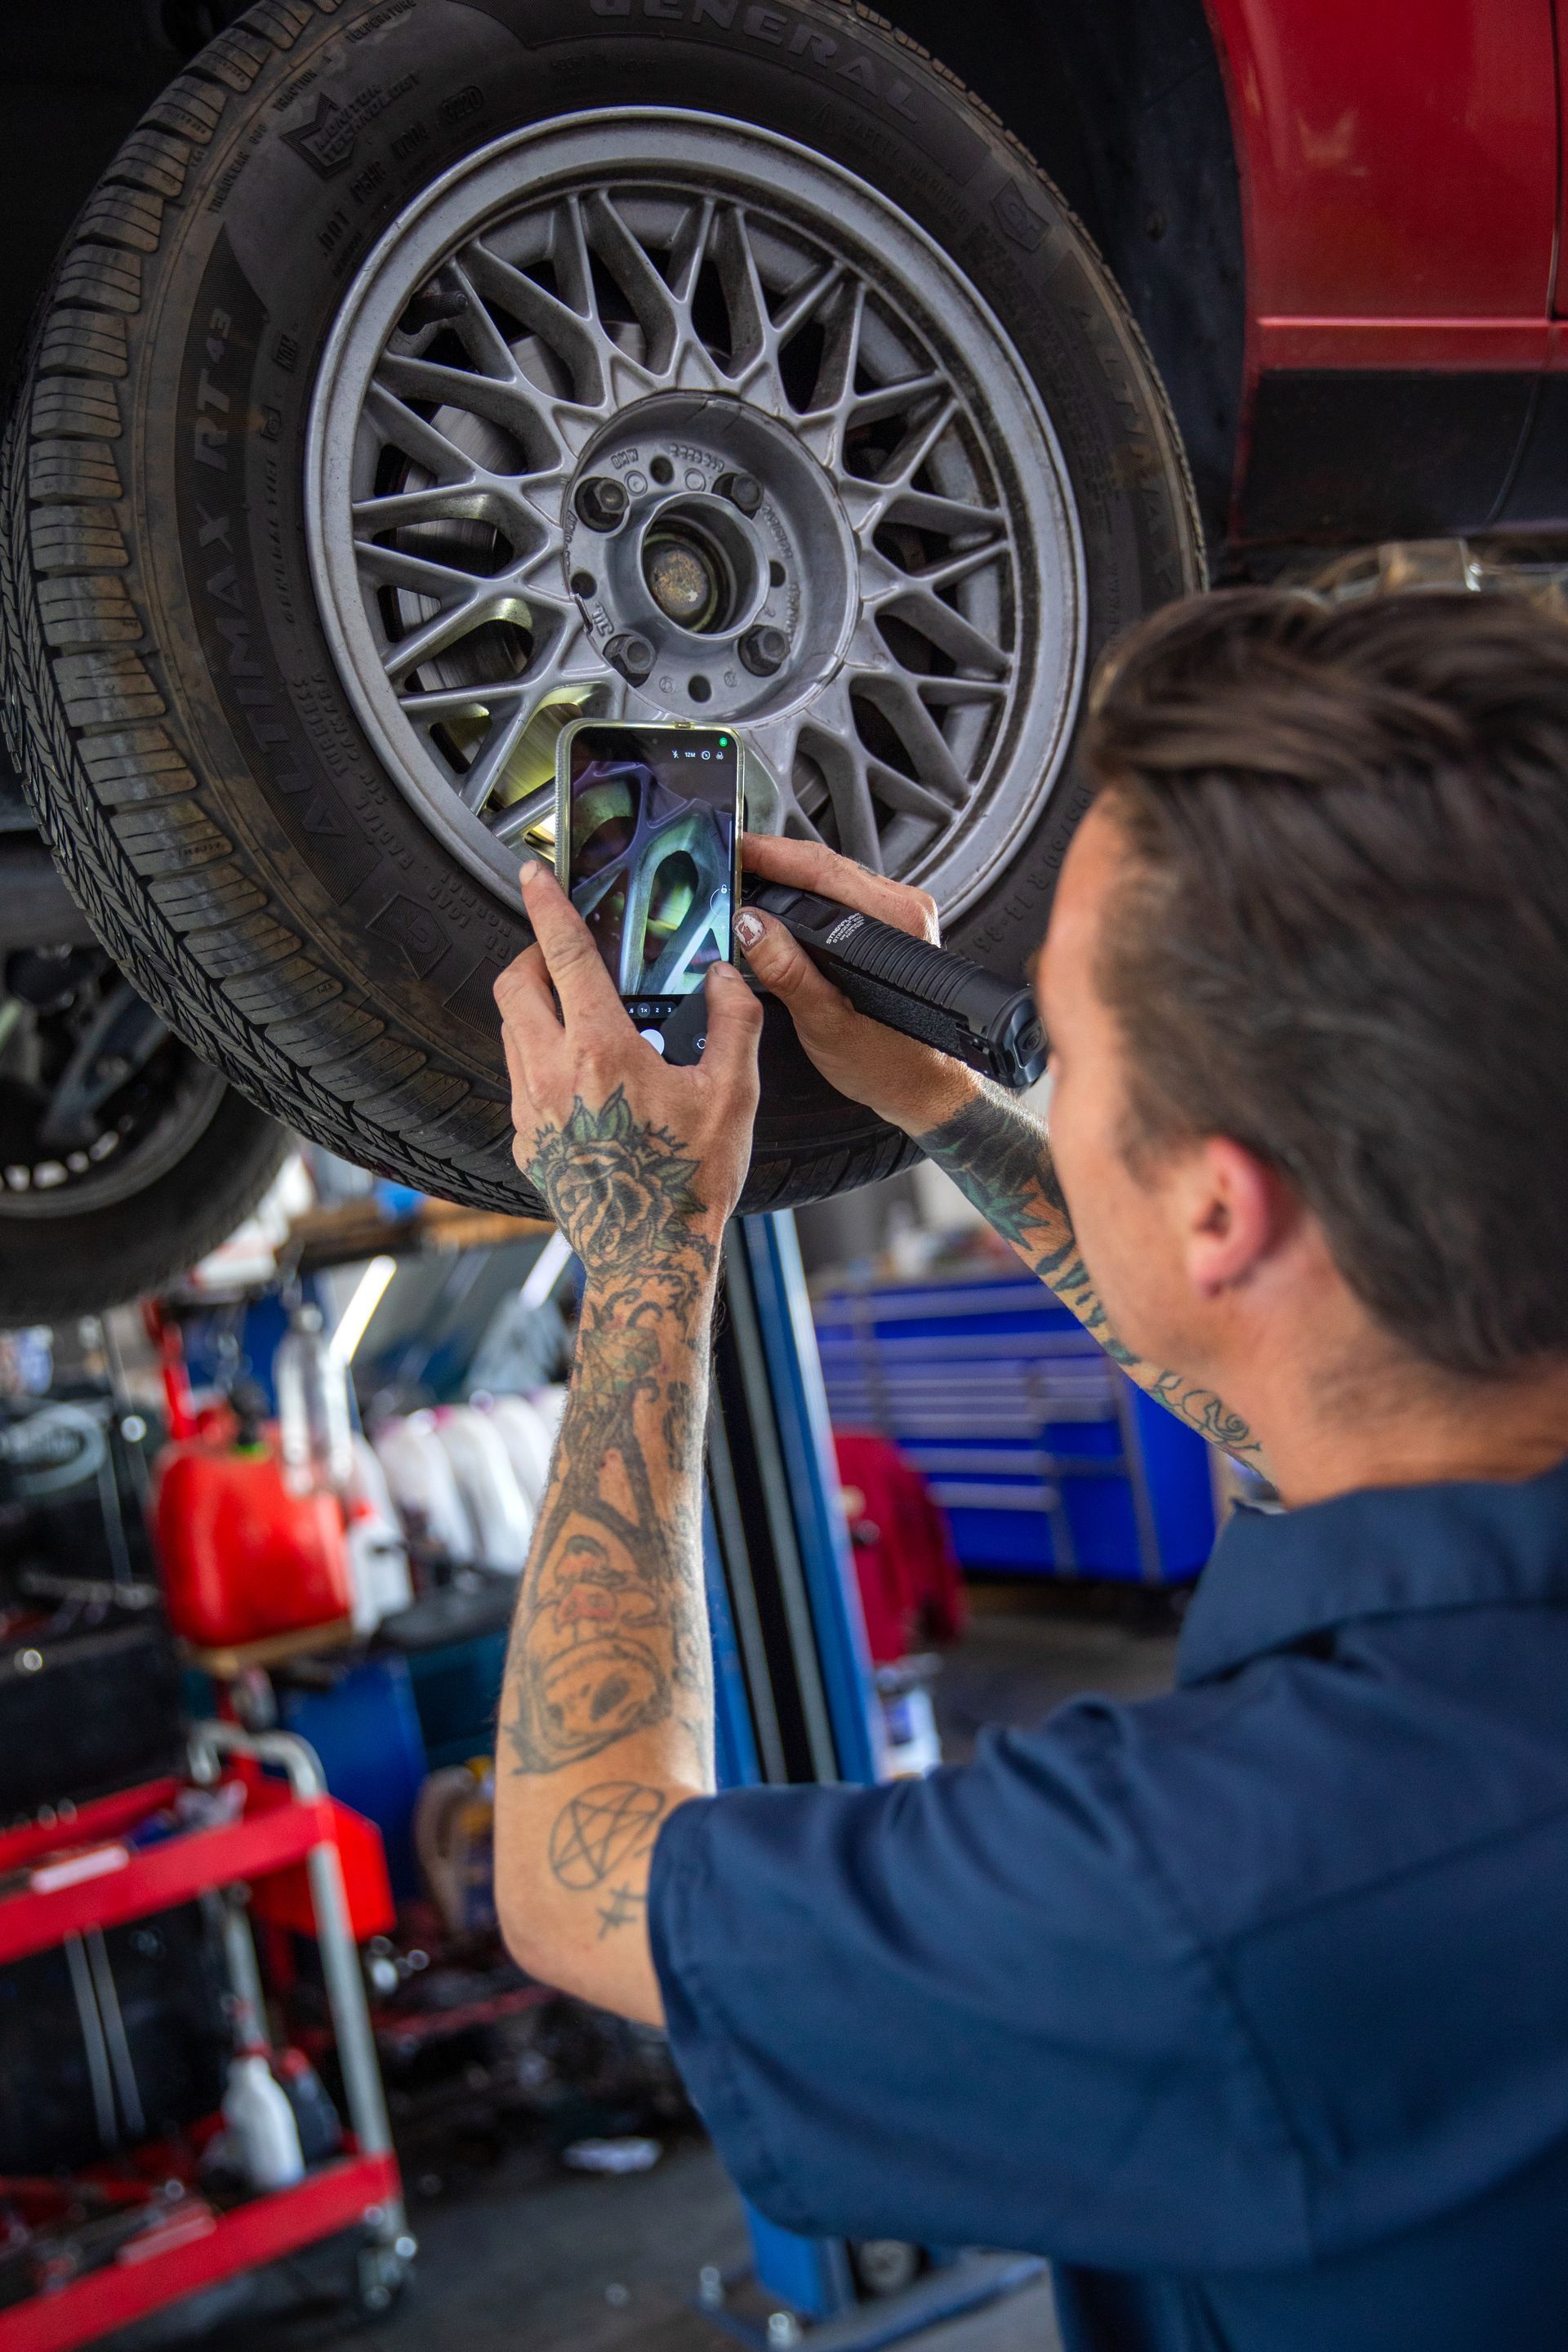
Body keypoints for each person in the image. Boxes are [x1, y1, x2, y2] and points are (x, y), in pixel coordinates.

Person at [489, 587, 1568, 2352]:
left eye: (1054, 1038)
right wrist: (945, 1095)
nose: (1025, 1062)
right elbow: (1295, 1401)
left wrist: (645, 1247)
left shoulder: (1206, 1892)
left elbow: (572, 1860)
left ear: (1223, 1203)